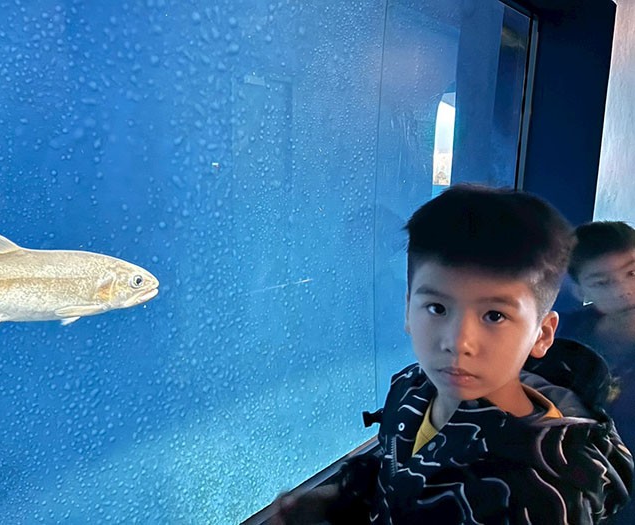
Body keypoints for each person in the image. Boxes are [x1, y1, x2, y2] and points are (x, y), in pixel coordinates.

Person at [270, 185, 633, 524]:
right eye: (437, 308)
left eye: (495, 315)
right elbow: (395, 472)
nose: (458, 342)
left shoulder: (544, 493)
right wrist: (334, 500)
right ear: (408, 310)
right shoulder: (412, 387)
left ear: (543, 334)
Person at [557, 221, 635, 524]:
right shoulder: (559, 338)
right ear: (580, 290)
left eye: (632, 273)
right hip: (576, 491)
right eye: (603, 283)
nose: (624, 291)